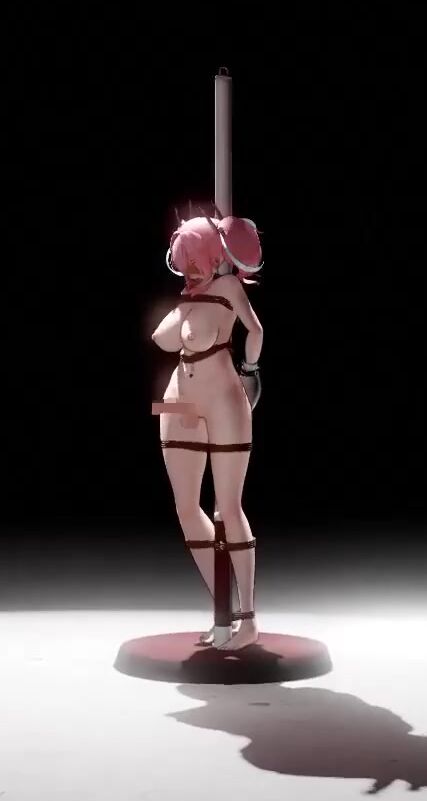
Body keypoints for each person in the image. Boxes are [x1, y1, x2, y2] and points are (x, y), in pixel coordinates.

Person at [151, 214, 265, 649]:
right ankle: (224, 608)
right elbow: (161, 338)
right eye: (184, 263)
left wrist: (251, 371)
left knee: (228, 508)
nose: (190, 270)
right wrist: (186, 305)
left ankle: (248, 619)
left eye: (196, 261)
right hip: (179, 401)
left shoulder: (228, 287)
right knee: (186, 508)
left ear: (215, 256)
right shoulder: (188, 299)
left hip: (223, 401)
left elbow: (255, 330)